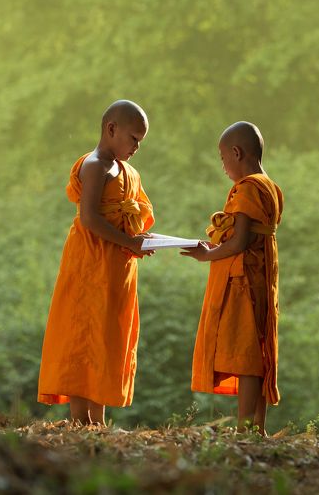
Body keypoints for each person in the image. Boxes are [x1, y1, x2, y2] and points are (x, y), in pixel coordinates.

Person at [37, 100, 155, 426]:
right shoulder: (95, 166)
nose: (136, 147)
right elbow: (89, 218)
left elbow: (127, 216)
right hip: (90, 263)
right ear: (111, 129)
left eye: (140, 141)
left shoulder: (126, 171)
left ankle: (97, 421)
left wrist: (141, 238)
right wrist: (131, 242)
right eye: (133, 138)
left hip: (117, 267)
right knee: (83, 333)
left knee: (107, 336)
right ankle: (80, 421)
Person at [181, 121, 284, 435]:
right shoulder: (270, 185)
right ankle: (258, 428)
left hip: (245, 280)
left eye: (223, 157)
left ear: (236, 153)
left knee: (247, 356)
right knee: (260, 347)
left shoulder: (248, 187)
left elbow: (238, 242)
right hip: (264, 273)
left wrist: (207, 255)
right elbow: (249, 235)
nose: (223, 165)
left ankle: (245, 429)